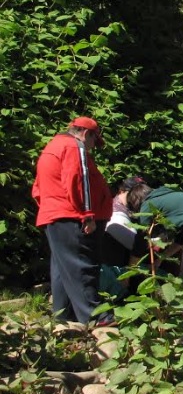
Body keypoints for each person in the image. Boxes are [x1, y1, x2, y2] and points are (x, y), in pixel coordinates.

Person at [32, 116, 114, 324]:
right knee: (82, 264)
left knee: (63, 268)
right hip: (73, 216)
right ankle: (95, 316)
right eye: (94, 140)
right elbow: (79, 180)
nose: (93, 147)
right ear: (86, 134)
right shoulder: (73, 147)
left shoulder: (53, 147)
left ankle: (63, 316)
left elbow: (38, 189)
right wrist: (87, 214)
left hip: (55, 215)